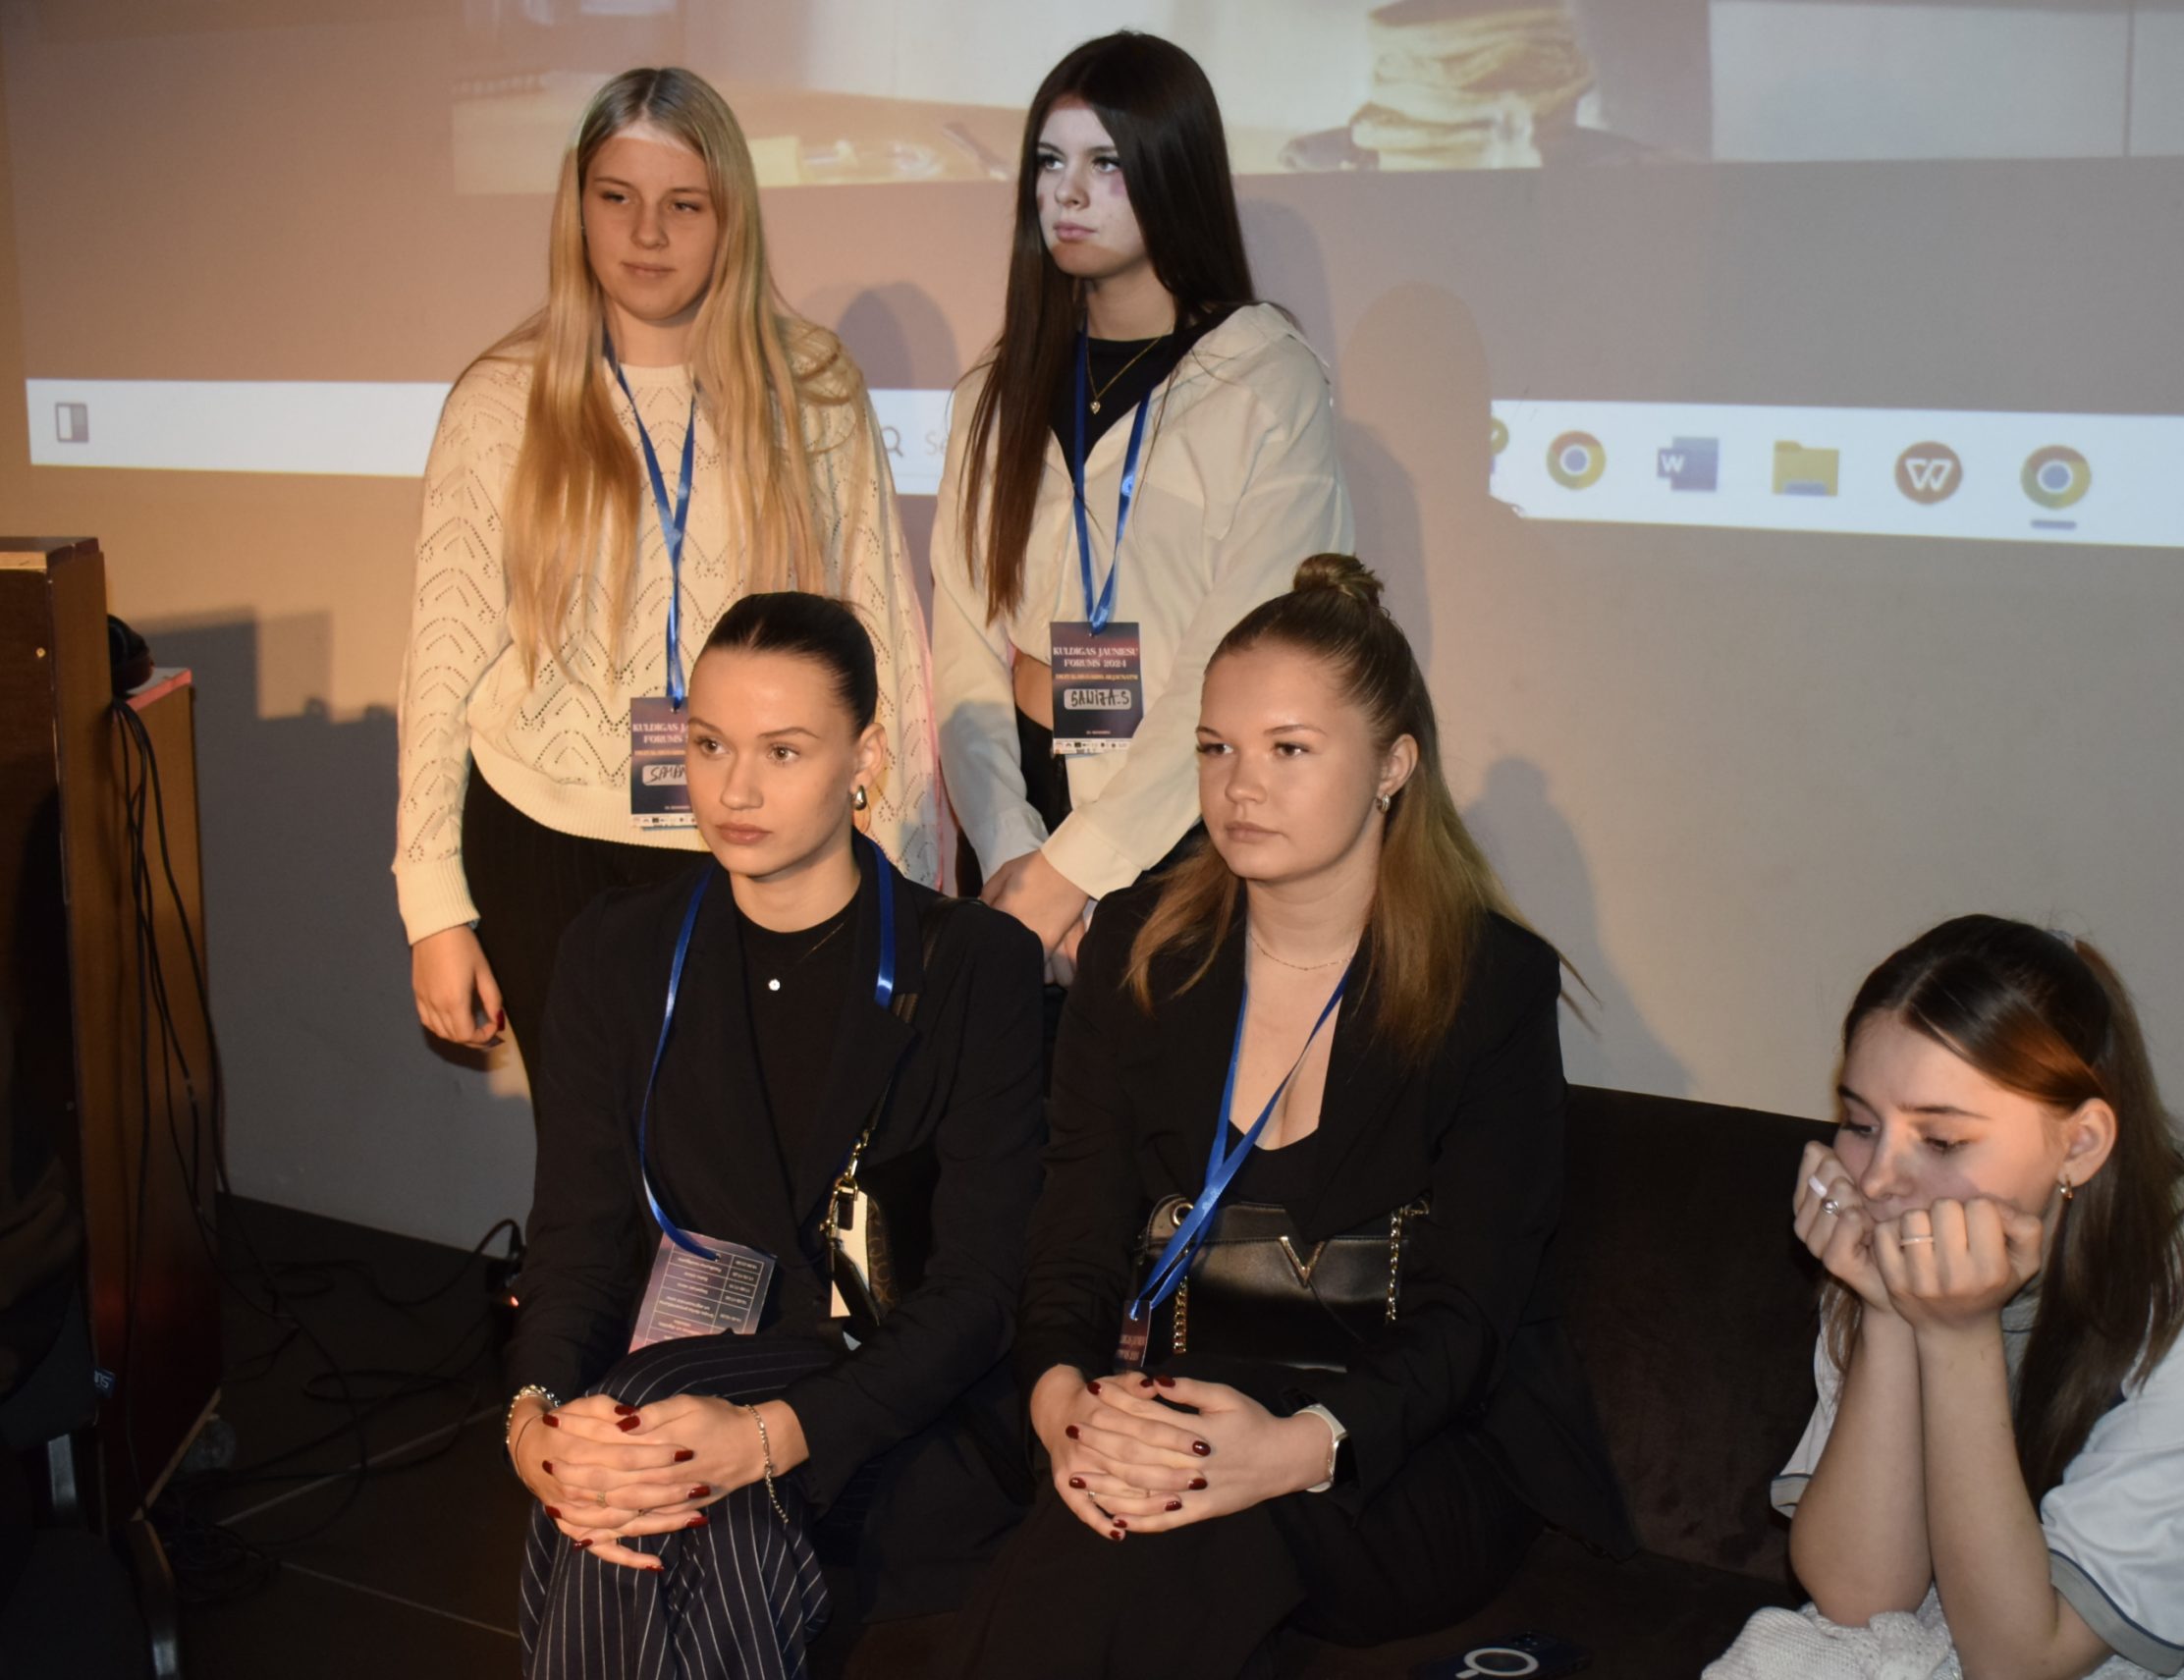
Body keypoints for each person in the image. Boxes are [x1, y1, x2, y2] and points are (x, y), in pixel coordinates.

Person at [952, 556, 1633, 1678]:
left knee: (1160, 1501)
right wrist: (1065, 1405)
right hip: (1177, 1415)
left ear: (1393, 765)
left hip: (1399, 1453)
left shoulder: (1488, 983)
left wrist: (1289, 1448)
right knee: (1145, 1507)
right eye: (1214, 749)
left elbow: (1471, 1316)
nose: (1239, 787)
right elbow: (1072, 1234)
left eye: (1289, 749)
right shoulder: (1139, 946)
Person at [500, 593, 1038, 1677]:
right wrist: (535, 1423)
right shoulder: (616, 951)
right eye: (709, 745)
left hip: (891, 1410)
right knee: (660, 1478)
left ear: (865, 758)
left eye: (782, 751)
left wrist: (766, 1435)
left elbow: (979, 1292)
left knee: (655, 1464)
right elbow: (575, 1242)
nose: (734, 790)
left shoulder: (972, 962)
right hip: (675, 1398)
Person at [396, 67, 941, 1091]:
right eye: (618, 198)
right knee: (589, 1165)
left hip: (757, 837)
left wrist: (905, 877)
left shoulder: (814, 390)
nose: (647, 233)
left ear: (730, 217)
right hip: (545, 846)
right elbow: (441, 666)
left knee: (757, 1154)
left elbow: (879, 639)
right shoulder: (500, 402)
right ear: (578, 208)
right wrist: (434, 908)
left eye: (683, 205)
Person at [1764, 915, 2184, 1679]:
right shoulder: (1905, 1225)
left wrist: (1958, 1336)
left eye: (1941, 1140)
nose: (1876, 1179)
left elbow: (2021, 1662)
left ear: (2081, 1143)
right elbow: (1861, 1598)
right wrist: (1888, 1315)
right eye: (1861, 1122)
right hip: (1985, 1625)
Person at [931, 30, 1353, 987]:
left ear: (1174, 173)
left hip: (1188, 822)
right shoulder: (995, 391)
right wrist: (1011, 851)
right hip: (1018, 820)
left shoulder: (1263, 381)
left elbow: (1241, 657)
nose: (1068, 194)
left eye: (1106, 164)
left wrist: (1070, 877)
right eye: (1050, 163)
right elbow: (961, 638)